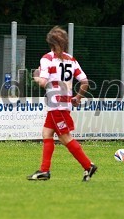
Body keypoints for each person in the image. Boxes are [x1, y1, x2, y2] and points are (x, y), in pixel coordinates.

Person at [27, 26, 97, 181]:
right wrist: (78, 98)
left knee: (65, 138)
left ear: (50, 42)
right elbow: (84, 82)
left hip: (56, 105)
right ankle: (44, 171)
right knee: (47, 133)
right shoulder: (71, 60)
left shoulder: (47, 59)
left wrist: (36, 76)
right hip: (63, 104)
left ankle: (88, 166)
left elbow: (43, 82)